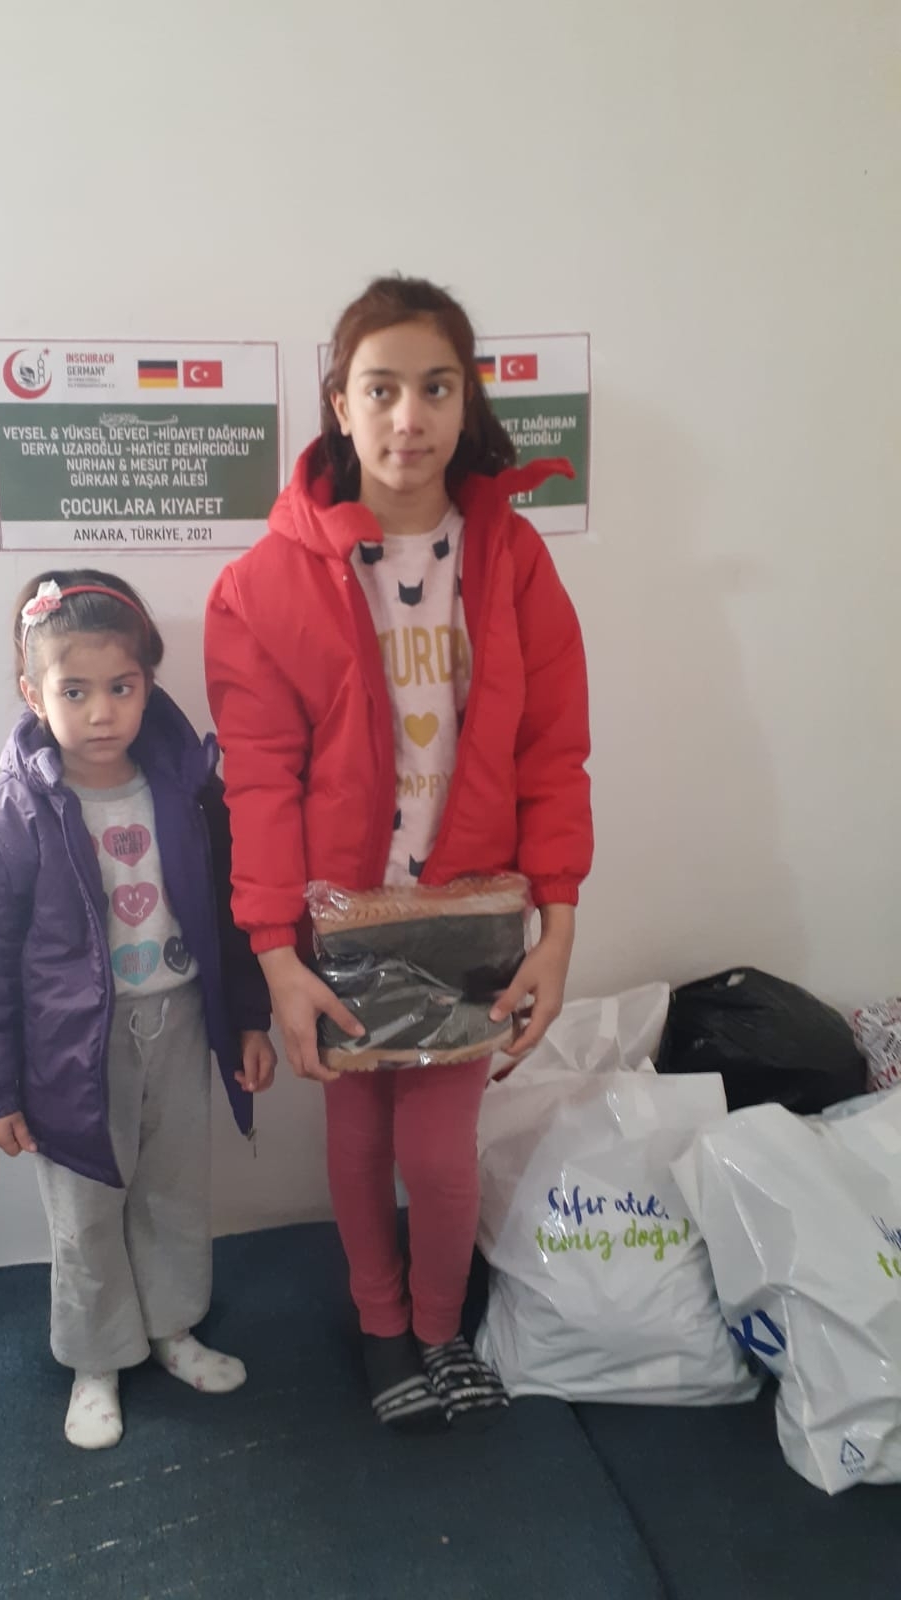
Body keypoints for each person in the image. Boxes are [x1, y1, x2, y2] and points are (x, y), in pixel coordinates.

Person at [205, 277, 592, 1432]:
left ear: (468, 401)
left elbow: (554, 752)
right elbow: (258, 785)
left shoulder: (514, 559)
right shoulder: (262, 585)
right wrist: (276, 955)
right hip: (340, 930)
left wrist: (558, 931)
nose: (409, 417)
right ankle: (384, 1334)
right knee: (359, 1137)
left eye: (435, 387)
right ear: (340, 403)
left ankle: (438, 1329)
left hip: (471, 923)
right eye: (380, 389)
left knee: (438, 1154)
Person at [0, 570, 276, 1450]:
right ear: (33, 694)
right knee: (86, 1211)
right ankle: (97, 1358)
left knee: (174, 1191)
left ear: (148, 685)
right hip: (71, 1053)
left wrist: (249, 1020)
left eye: (121, 688)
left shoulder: (189, 792)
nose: (100, 713)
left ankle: (170, 1328)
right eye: (75, 691)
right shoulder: (6, 819)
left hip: (181, 1022)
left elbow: (234, 915)